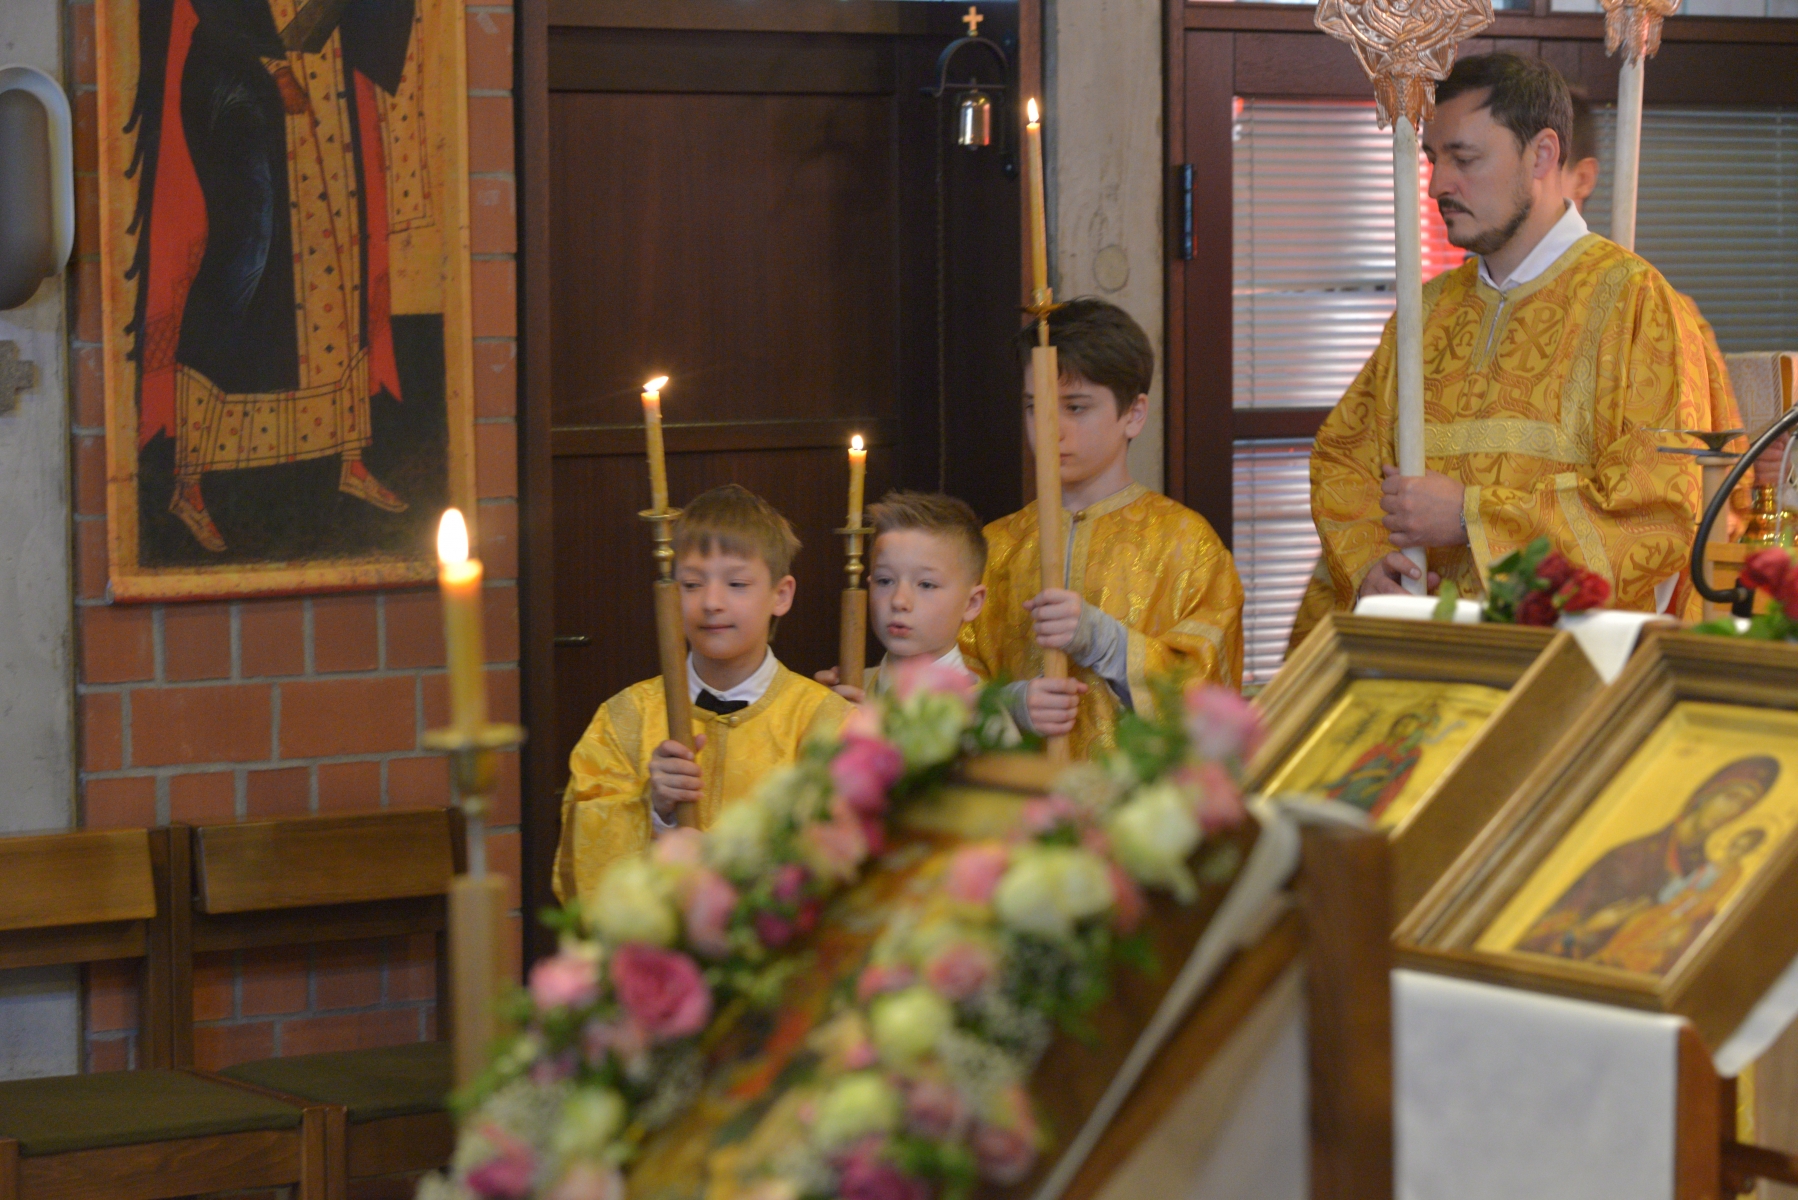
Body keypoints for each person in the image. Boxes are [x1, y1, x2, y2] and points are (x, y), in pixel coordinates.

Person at [1309, 52, 1717, 622]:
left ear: (1542, 154)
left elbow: (1658, 511)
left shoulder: (1634, 303)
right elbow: (1345, 459)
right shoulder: (1426, 313)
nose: (1437, 185)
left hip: (1559, 658)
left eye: (1464, 158)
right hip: (1426, 651)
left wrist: (1470, 517)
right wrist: (1371, 565)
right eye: (1432, 159)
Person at [133, 0, 415, 552]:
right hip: (239, 74)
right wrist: (277, 68)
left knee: (338, 262)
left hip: (324, 76)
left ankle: (349, 458)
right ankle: (189, 483)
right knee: (245, 257)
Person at [961, 298, 1244, 759]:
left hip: (1136, 796)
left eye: (1075, 407)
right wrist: (1010, 705)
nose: (1050, 429)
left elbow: (1213, 697)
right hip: (1020, 795)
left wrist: (1107, 643)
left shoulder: (1188, 545)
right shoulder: (995, 546)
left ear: (1134, 414)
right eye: (1035, 407)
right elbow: (944, 684)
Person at [552, 485, 852, 902]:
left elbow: (849, 864)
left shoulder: (825, 722)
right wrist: (653, 809)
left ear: (781, 595)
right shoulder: (627, 717)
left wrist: (722, 865)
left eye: (736, 583)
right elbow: (580, 863)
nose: (711, 602)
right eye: (692, 584)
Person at [1515, 755, 1776, 961]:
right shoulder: (1628, 857)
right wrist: (1585, 930)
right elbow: (1533, 941)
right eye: (1731, 797)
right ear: (1705, 794)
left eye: (1744, 806)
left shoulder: (1708, 876)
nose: (1733, 811)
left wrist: (1681, 940)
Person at [817, 491, 989, 703]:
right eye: (885, 581)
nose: (899, 601)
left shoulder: (981, 711)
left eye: (926, 584)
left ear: (972, 603)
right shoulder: (853, 686)